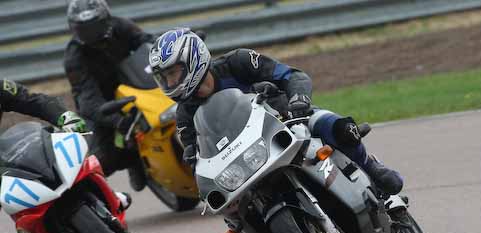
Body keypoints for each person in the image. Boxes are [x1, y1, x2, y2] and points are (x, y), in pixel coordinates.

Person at [148, 29, 404, 196]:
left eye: (173, 73)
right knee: (235, 211)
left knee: (339, 128)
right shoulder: (185, 114)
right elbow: (195, 156)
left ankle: (371, 167)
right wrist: (197, 167)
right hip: (244, 160)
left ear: (193, 59)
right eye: (164, 77)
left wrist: (299, 100)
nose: (169, 82)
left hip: (288, 121)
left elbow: (293, 76)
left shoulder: (238, 62)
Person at [0, 79, 90, 233]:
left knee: (66, 145)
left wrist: (63, 116)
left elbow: (32, 100)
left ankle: (98, 190)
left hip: (8, 148)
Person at [64, 0, 154, 190]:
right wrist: (117, 121)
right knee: (102, 159)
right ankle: (132, 161)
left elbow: (148, 42)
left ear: (106, 20)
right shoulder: (74, 57)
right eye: (84, 29)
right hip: (102, 104)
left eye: (95, 26)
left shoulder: (122, 26)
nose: (92, 34)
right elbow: (87, 100)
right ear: (74, 29)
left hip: (135, 86)